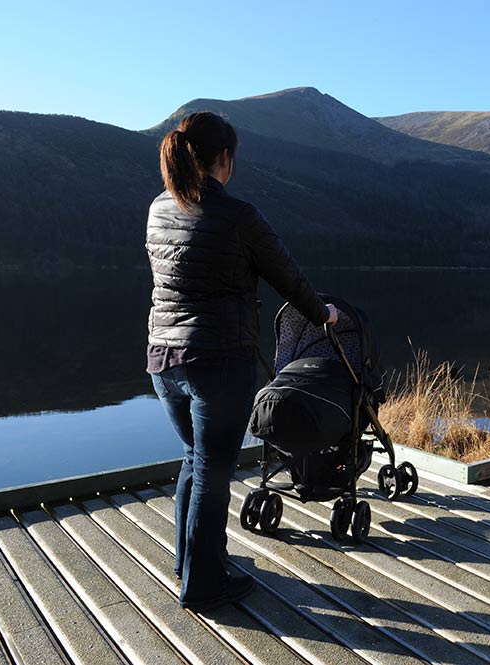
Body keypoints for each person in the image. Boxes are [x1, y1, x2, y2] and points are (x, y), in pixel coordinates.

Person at [146, 111, 336, 611]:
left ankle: (188, 561)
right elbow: (288, 278)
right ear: (224, 158)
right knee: (213, 468)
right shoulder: (238, 216)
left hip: (163, 359)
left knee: (195, 458)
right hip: (218, 360)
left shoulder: (157, 210)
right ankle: (204, 583)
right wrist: (326, 314)